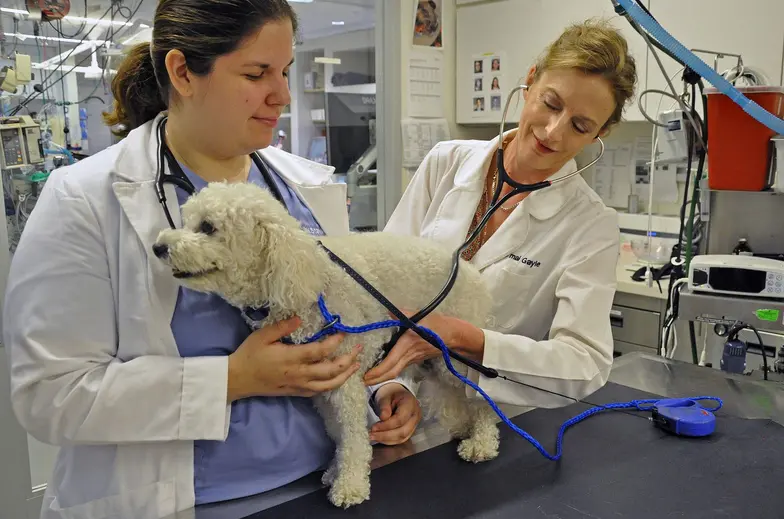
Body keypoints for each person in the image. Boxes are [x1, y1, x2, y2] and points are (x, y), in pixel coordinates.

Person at [3, 1, 420, 518]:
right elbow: (50, 395)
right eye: (256, 73)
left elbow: (347, 326)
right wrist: (231, 380)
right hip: (187, 504)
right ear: (183, 72)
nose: (282, 94)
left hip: (326, 487)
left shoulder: (304, 190)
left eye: (285, 71)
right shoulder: (83, 199)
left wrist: (388, 387)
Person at [365, 19, 637, 408]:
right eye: (551, 103)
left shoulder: (590, 226)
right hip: (397, 401)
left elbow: (585, 364)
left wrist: (467, 338)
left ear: (599, 135)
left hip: (493, 422)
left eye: (579, 126)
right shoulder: (446, 162)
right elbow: (382, 285)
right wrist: (392, 387)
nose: (554, 132)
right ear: (530, 82)